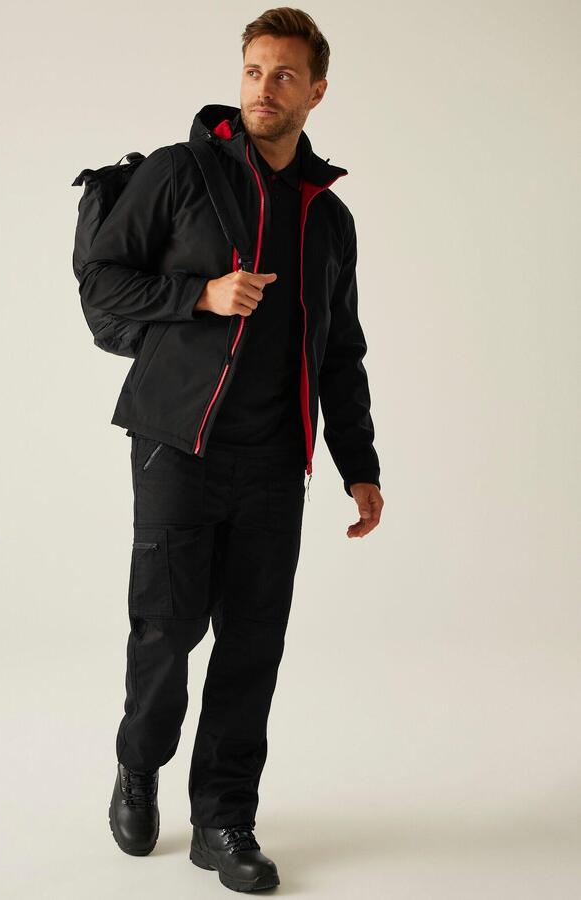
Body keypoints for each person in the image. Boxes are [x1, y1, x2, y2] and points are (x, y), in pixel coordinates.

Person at [79, 8, 384, 892]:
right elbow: (104, 278)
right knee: (168, 627)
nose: (264, 88)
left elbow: (340, 349)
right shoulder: (180, 174)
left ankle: (223, 819)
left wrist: (359, 463)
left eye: (284, 74)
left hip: (276, 460)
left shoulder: (328, 218)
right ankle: (139, 765)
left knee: (253, 642)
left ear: (316, 91)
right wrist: (200, 295)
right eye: (254, 70)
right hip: (178, 443)